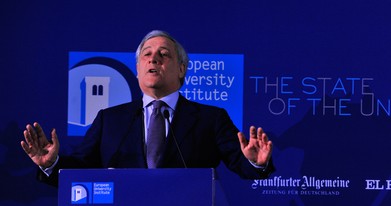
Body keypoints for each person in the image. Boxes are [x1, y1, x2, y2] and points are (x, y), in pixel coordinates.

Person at [21, 30, 275, 186]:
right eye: (147, 54)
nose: (154, 58)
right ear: (138, 69)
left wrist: (255, 163)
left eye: (164, 54)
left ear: (182, 69)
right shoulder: (110, 120)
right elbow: (79, 172)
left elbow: (242, 165)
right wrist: (51, 163)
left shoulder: (211, 119)